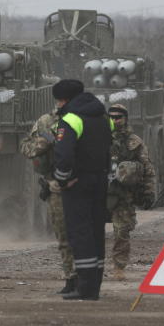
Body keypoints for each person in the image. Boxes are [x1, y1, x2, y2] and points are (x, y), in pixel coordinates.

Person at [51, 79, 113, 301]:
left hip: (78, 183)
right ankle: (94, 285)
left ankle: (84, 287)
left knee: (80, 232)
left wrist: (63, 179)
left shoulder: (71, 119)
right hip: (100, 180)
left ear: (64, 100)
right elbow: (107, 148)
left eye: (58, 101)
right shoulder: (103, 117)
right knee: (96, 231)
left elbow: (64, 155)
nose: (58, 105)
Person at [20, 110, 76, 294]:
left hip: (80, 183)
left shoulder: (84, 120)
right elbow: (27, 148)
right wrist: (45, 142)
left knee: (80, 234)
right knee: (62, 233)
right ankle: (72, 278)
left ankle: (84, 278)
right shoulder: (46, 121)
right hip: (55, 184)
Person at [106, 103, 156, 281]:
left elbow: (147, 169)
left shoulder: (134, 143)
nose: (114, 120)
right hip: (102, 193)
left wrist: (149, 193)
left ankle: (119, 266)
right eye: (111, 117)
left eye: (118, 117)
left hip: (123, 194)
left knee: (122, 231)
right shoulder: (100, 138)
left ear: (125, 118)